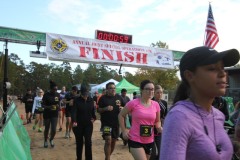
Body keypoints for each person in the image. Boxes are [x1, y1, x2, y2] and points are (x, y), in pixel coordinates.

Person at [160, 46, 239, 160]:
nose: (223, 74)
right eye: (212, 68)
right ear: (190, 76)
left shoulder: (218, 116)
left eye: (222, 68)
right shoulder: (179, 117)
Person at [119, 80, 162, 160]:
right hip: (135, 139)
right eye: (148, 89)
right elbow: (121, 115)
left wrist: (159, 127)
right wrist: (124, 130)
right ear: (141, 90)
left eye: (152, 89)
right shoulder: (133, 103)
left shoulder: (156, 105)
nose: (151, 91)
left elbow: (157, 121)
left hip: (149, 140)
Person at [97, 82, 124, 160]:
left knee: (113, 141)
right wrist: (105, 108)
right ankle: (108, 158)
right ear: (107, 89)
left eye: (114, 88)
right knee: (108, 140)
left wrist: (122, 108)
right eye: (111, 88)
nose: (113, 89)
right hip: (106, 123)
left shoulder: (119, 97)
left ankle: (107, 157)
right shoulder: (103, 98)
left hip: (116, 123)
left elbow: (125, 106)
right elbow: (98, 110)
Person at [72, 85, 96, 160]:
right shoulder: (76, 100)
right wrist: (74, 121)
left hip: (88, 125)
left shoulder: (91, 100)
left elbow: (92, 112)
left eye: (86, 93)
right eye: (83, 94)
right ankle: (79, 158)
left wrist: (94, 118)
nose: (85, 96)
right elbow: (74, 112)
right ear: (81, 93)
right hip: (78, 125)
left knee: (88, 142)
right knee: (79, 143)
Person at [150, 85, 167, 160]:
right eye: (157, 93)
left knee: (161, 152)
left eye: (161, 93)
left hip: (160, 130)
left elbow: (165, 116)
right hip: (150, 131)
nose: (159, 94)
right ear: (154, 93)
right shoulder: (150, 102)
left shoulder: (164, 103)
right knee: (152, 154)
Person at [42, 80, 60, 148]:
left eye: (56, 89)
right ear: (51, 89)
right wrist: (50, 107)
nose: (55, 90)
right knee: (47, 128)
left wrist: (58, 105)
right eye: (54, 89)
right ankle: (45, 140)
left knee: (54, 130)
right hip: (47, 114)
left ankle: (51, 139)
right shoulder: (46, 95)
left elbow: (58, 102)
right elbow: (42, 105)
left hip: (54, 114)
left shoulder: (57, 95)